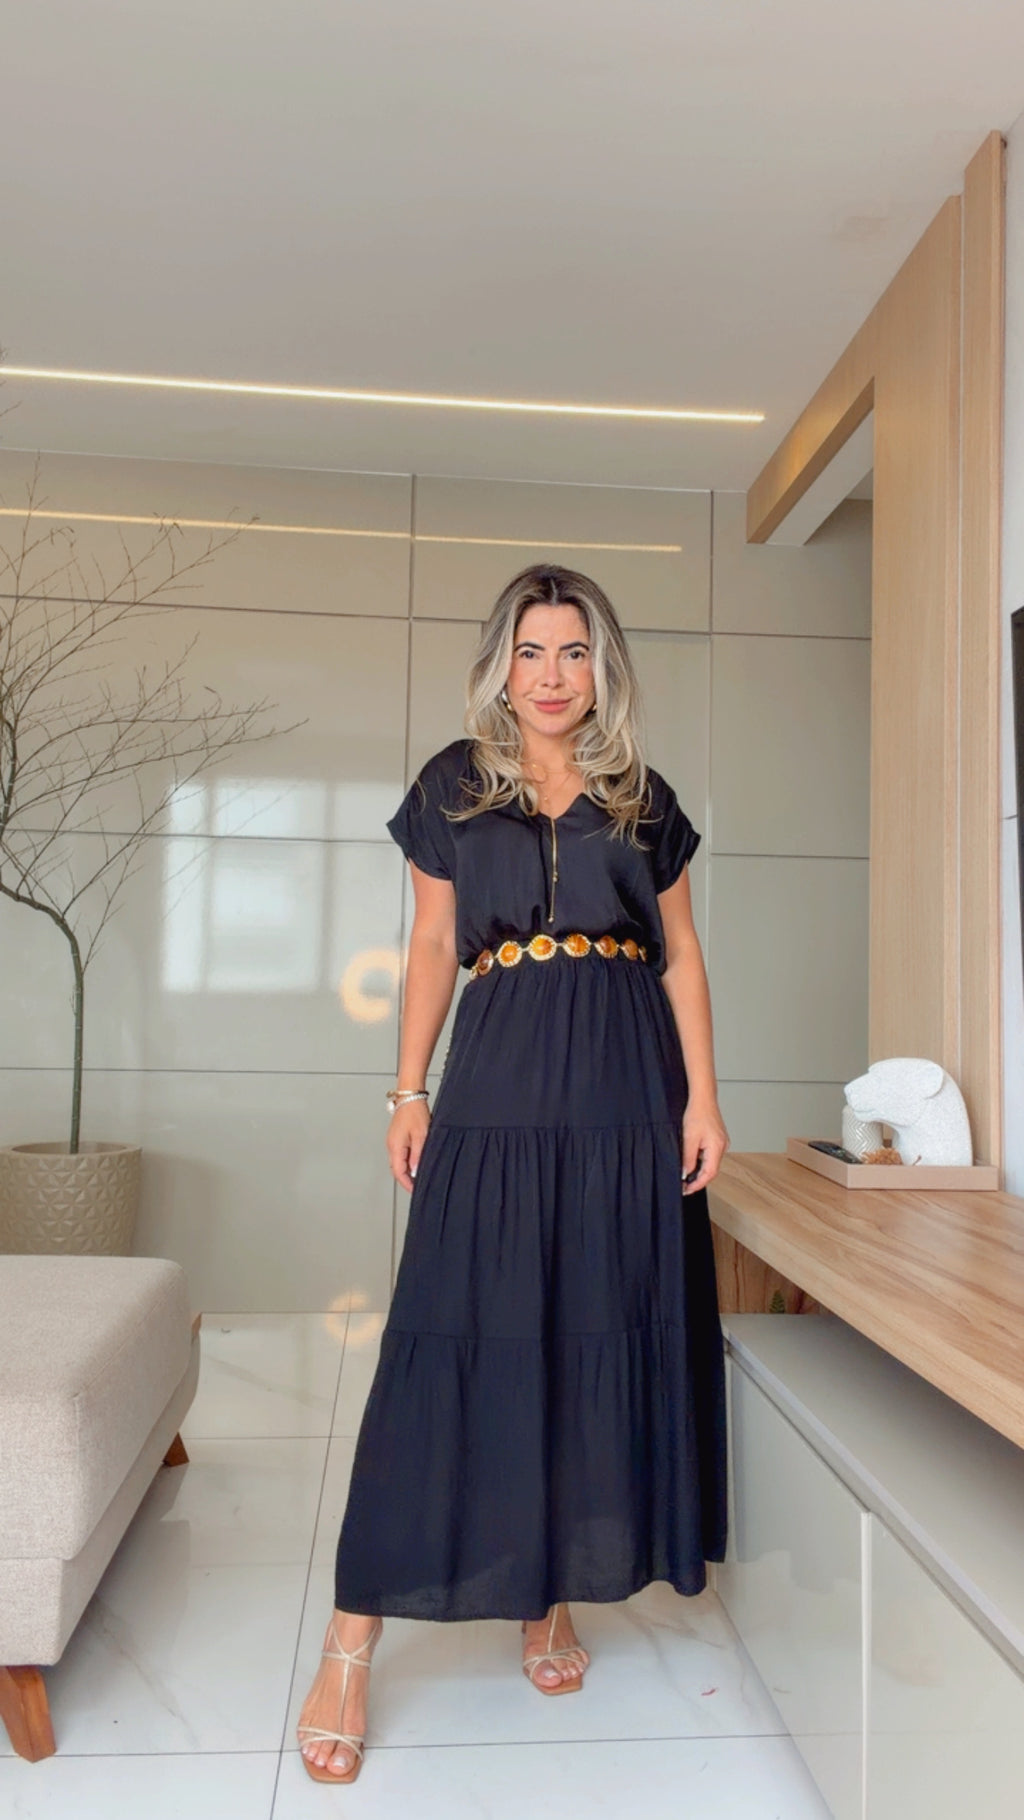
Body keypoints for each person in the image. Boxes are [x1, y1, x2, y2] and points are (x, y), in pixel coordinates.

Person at [297, 563, 729, 1783]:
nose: (551, 675)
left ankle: (548, 1593)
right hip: (495, 1079)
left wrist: (703, 1096)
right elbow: (434, 940)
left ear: (603, 667)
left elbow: (681, 954)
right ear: (501, 665)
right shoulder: (454, 782)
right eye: (531, 652)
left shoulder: (643, 795)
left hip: (626, 1087)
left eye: (573, 652)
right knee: (447, 1338)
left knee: (590, 1327)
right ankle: (348, 1643)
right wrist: (408, 1088)